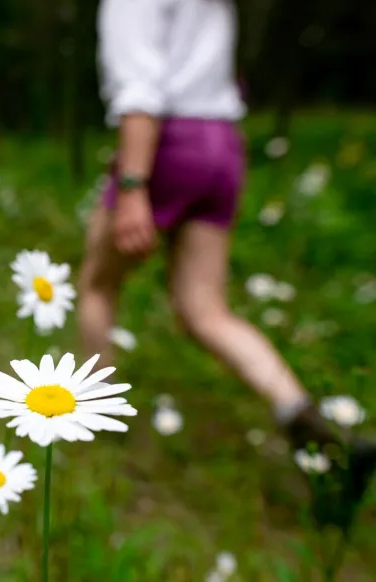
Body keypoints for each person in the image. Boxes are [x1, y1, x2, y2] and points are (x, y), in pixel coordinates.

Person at [80, 0, 376, 528]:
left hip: (166, 143)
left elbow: (139, 90)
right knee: (205, 309)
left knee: (96, 287)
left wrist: (132, 186)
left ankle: (91, 421)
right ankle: (310, 423)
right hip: (222, 142)